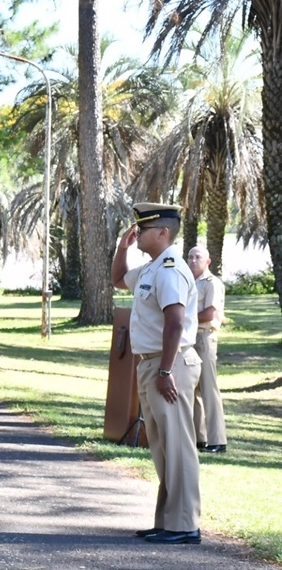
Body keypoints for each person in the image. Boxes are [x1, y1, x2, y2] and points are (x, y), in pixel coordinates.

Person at [112, 202, 203, 544]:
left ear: (163, 232)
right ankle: (168, 521)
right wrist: (122, 248)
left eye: (144, 229)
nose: (137, 233)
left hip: (171, 363)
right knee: (163, 446)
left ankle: (185, 525)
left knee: (178, 445)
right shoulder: (150, 268)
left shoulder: (169, 269)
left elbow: (176, 322)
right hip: (153, 363)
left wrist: (165, 369)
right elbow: (119, 279)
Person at [187, 244, 227, 453]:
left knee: (209, 389)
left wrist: (183, 318)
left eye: (198, 257)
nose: (193, 261)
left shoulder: (212, 284)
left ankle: (218, 441)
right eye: (190, 257)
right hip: (188, 339)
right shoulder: (188, 283)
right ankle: (200, 438)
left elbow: (209, 314)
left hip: (204, 337)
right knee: (192, 389)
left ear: (208, 261)